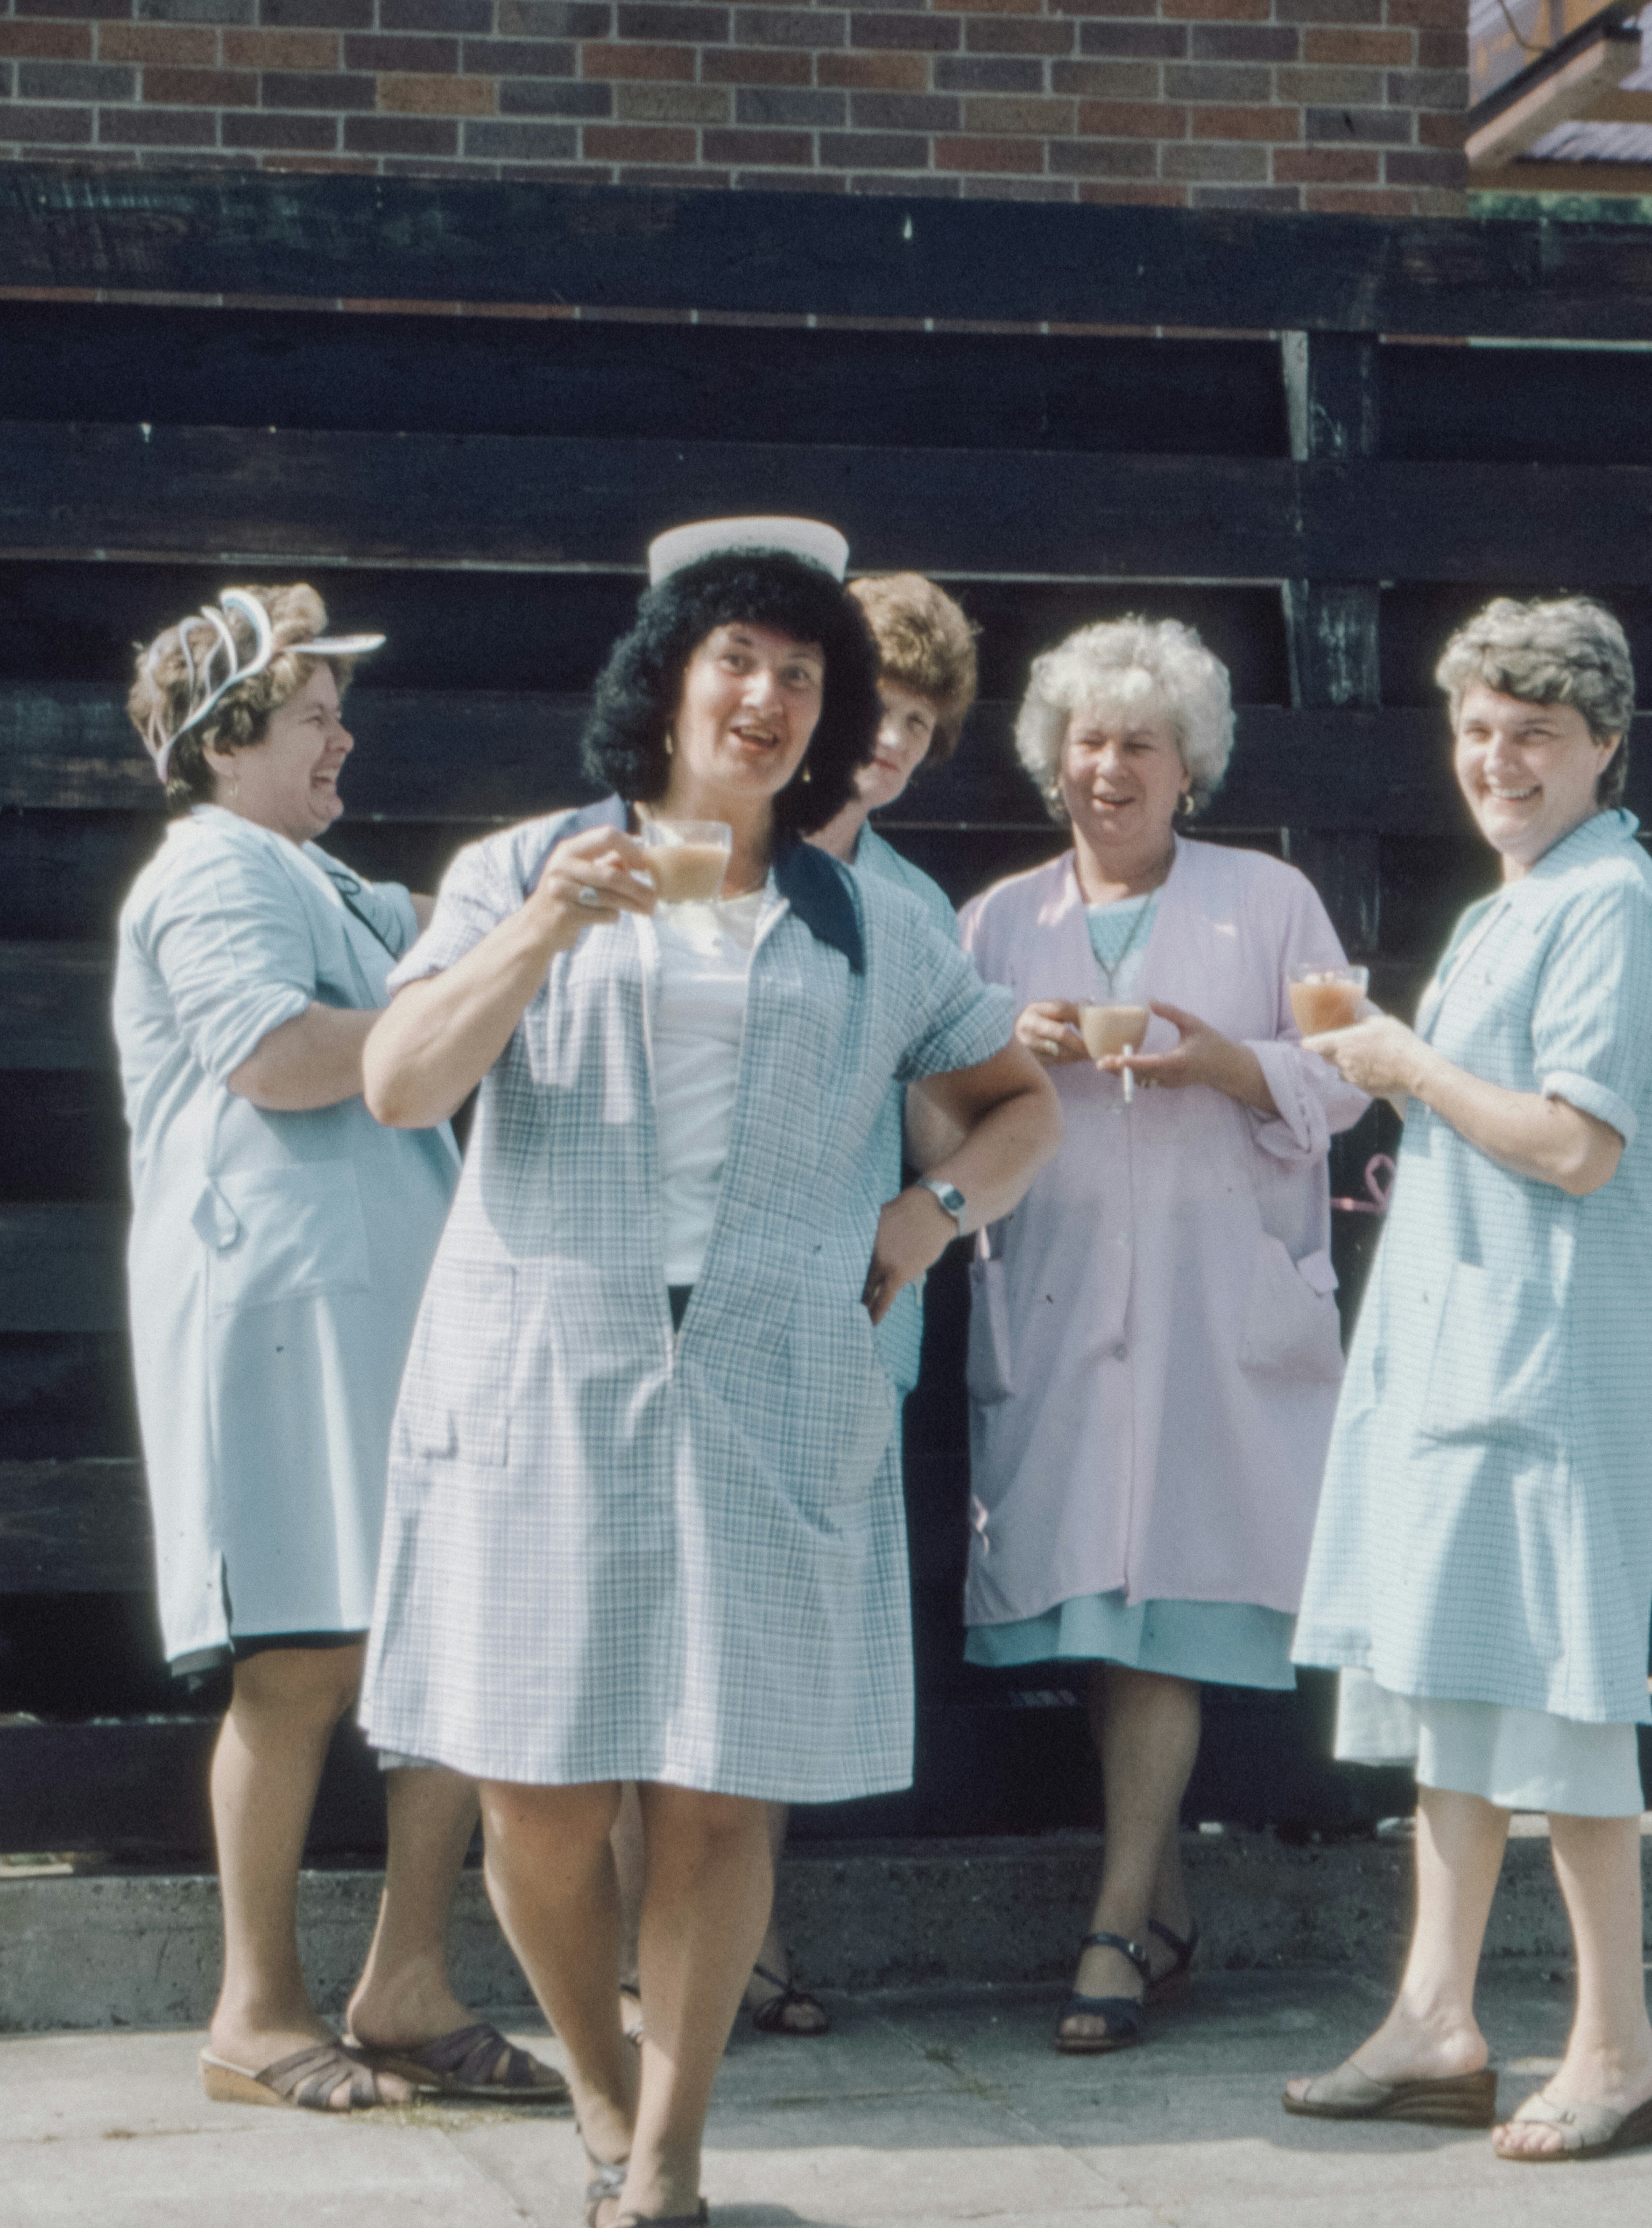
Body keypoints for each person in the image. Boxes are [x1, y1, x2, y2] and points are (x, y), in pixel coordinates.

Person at [357, 521, 1060, 2228]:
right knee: (534, 1781)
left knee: (719, 1786)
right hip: (541, 1370)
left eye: (800, 679)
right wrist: (533, 934)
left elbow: (1018, 1104)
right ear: (666, 679)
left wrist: (922, 1215)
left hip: (770, 1375)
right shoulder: (517, 864)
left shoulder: (874, 916)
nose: (762, 699)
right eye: (735, 661)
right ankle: (603, 2100)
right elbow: (393, 1083)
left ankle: (667, 2160)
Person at [109, 586, 562, 2116]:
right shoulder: (211, 873)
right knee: (301, 1658)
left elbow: (425, 1002)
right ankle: (254, 2005)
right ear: (225, 739)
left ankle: (408, 1981)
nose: (342, 737)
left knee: (436, 1648)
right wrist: (434, 1028)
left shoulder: (322, 876)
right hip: (273, 1312)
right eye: (311, 715)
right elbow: (276, 1056)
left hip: (391, 1306)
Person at [1282, 595, 1652, 2163]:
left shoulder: (1613, 904)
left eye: (1534, 732)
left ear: (1603, 744)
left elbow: (1577, 1148)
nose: (1499, 760)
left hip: (1552, 1359)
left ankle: (1619, 2047)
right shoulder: (1506, 904)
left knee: (1563, 1696)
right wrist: (1402, 1072)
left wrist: (1404, 1069)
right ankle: (1434, 2020)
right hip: (1463, 1346)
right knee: (1453, 1677)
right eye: (1476, 731)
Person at [952, 616, 1371, 2055]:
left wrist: (1220, 1059)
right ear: (1048, 757)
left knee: (1160, 1623)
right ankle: (1158, 1905)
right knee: (1108, 1620)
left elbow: (1351, 1070)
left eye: (1138, 742)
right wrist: (1022, 1042)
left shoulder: (1267, 899)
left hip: (1213, 1300)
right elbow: (939, 1084)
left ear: (1188, 765)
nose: (1107, 767)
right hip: (1064, 1303)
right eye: (1084, 739)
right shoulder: (1001, 919)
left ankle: (1114, 1929)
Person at [605, 571, 987, 2049]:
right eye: (869, 704)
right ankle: (656, 1968)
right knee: (641, 1653)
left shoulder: (900, 907)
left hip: (836, 1324)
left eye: (913, 722)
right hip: (648, 1325)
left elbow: (965, 1126)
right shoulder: (645, 859)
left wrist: (932, 1211)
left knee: (757, 1664)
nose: (884, 742)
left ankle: (725, 1947)